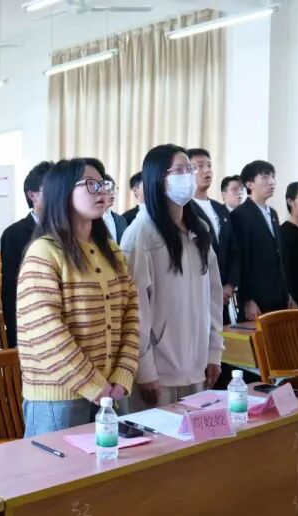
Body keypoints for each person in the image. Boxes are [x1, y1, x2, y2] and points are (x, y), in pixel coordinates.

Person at [16, 158, 139, 436]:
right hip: (59, 397)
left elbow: (131, 314)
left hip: (110, 391)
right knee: (57, 465)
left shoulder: (110, 249)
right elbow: (46, 332)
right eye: (91, 185)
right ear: (63, 192)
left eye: (103, 184)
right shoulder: (45, 251)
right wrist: (93, 384)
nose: (101, 191)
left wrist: (123, 373)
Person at [124, 145, 223, 409]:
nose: (188, 176)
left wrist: (214, 352)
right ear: (158, 178)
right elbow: (135, 309)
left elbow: (213, 297)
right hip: (158, 373)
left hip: (197, 365)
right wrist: (144, 369)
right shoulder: (141, 234)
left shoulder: (199, 229)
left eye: (190, 169)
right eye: (179, 170)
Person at [229, 160, 295, 320]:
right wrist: (247, 299)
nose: (271, 182)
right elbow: (242, 259)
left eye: (273, 176)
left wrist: (286, 293)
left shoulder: (273, 213)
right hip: (257, 299)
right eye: (265, 177)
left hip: (278, 294)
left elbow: (278, 256)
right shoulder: (240, 215)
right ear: (249, 184)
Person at [0, 161, 52, 348]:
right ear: (32, 195)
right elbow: (11, 292)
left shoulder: (69, 231)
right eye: (50, 188)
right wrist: (15, 338)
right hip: (31, 328)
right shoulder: (14, 234)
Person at [187, 148, 237, 325]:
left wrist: (229, 285)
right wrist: (214, 289)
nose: (207, 170)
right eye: (199, 166)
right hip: (198, 294)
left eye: (209, 165)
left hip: (224, 294)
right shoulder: (184, 209)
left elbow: (233, 248)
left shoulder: (220, 208)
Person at [99, 173, 128, 243]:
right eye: (108, 189)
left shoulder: (121, 220)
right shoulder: (88, 220)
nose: (112, 193)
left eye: (113, 189)